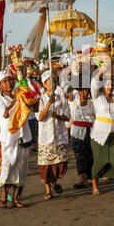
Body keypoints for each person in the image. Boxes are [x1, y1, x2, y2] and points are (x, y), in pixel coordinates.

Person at [0, 71, 32, 208]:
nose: (8, 83)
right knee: (8, 166)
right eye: (5, 81)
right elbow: (4, 115)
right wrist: (17, 99)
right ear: (0, 85)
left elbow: (30, 106)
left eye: (10, 80)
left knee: (21, 167)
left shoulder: (20, 93)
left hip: (23, 136)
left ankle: (15, 198)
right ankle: (3, 196)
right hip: (9, 138)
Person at [90, 64, 114, 196]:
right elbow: (94, 82)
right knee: (99, 161)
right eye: (107, 84)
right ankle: (95, 186)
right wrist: (103, 68)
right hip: (99, 134)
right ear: (102, 85)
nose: (109, 86)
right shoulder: (97, 96)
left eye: (111, 84)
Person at [37, 71, 70, 200]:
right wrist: (48, 104)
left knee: (60, 163)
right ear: (45, 84)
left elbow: (68, 116)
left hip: (59, 134)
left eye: (55, 81)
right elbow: (39, 117)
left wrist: (59, 116)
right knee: (46, 165)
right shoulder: (40, 99)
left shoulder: (61, 98)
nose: (54, 83)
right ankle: (47, 190)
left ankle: (54, 181)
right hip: (46, 135)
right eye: (50, 81)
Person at [70, 87, 95, 189]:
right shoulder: (73, 104)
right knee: (80, 156)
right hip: (77, 132)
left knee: (90, 155)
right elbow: (71, 117)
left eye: (85, 90)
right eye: (81, 91)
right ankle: (82, 179)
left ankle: (90, 178)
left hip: (90, 131)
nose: (83, 93)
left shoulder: (93, 102)